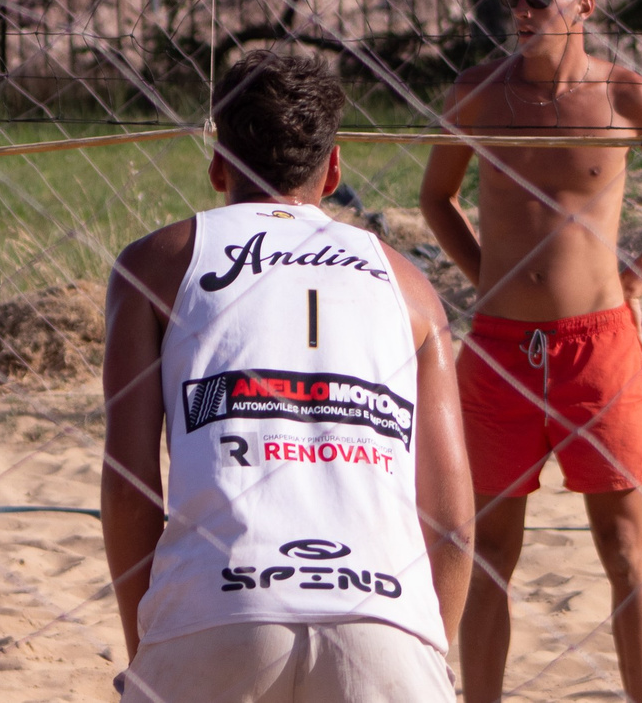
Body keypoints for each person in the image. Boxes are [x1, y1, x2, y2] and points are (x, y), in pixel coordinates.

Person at [103, 48, 472, 703]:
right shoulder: (411, 286)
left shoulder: (156, 263)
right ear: (332, 169)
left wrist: (151, 647)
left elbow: (131, 491)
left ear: (218, 164)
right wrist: (427, 649)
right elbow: (451, 523)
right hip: (383, 611)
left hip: (217, 602)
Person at [418, 0, 642, 703]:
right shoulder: (478, 91)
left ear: (585, 3)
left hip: (598, 348)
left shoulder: (629, 96)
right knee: (486, 551)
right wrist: (489, 277)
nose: (518, 10)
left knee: (623, 544)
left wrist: (632, 283)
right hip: (498, 347)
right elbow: (436, 198)